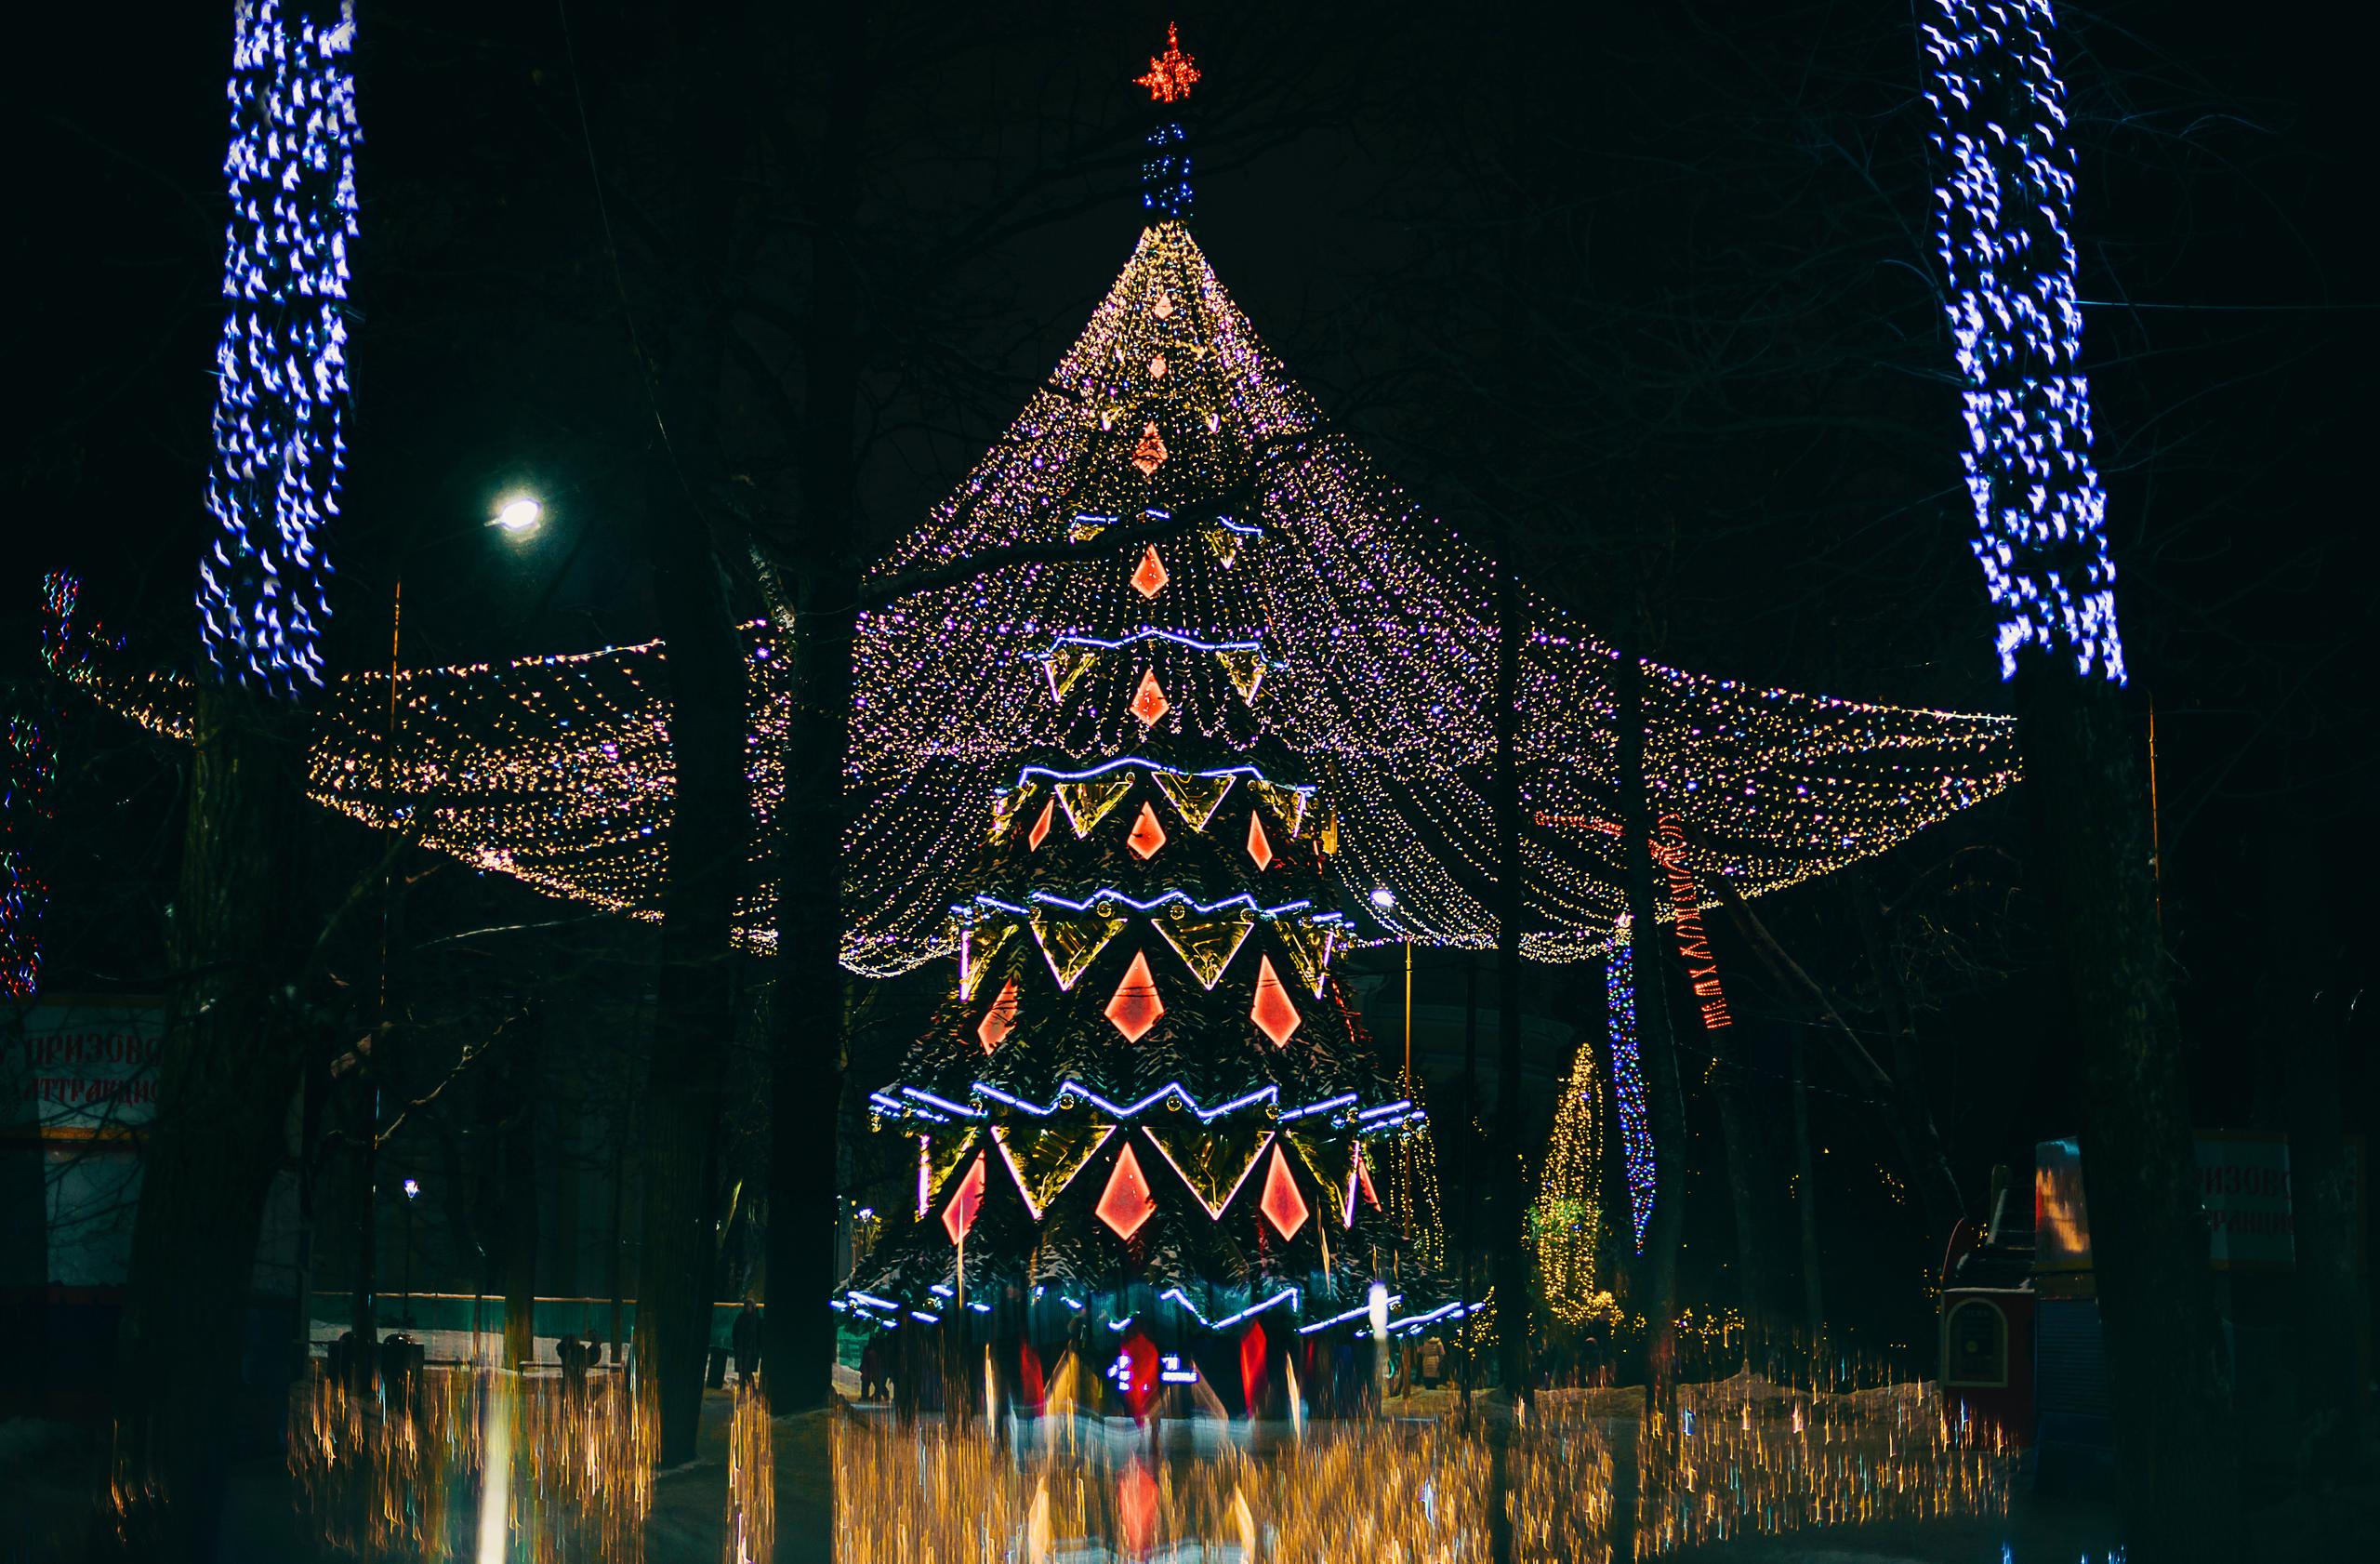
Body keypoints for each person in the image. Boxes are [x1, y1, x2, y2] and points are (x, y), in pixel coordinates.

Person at [731, 1301, 762, 1389]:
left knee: (747, 1371)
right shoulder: (740, 1318)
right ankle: (743, 1393)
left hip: (751, 1351)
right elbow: (735, 1333)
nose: (748, 1308)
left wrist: (757, 1349)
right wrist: (736, 1347)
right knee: (741, 1372)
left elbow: (759, 1336)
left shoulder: (757, 1320)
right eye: (747, 1306)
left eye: (750, 1306)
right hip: (741, 1350)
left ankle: (753, 1393)